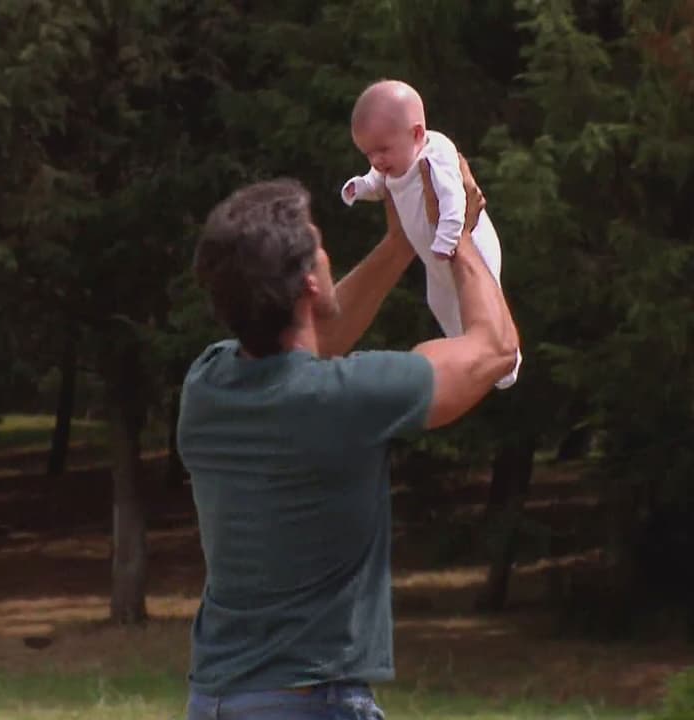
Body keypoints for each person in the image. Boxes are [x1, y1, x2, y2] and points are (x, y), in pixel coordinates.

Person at [177, 154, 520, 720]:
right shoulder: (342, 400)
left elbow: (316, 335)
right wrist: (456, 237)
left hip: (218, 700)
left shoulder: (207, 385)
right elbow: (495, 350)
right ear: (309, 282)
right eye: (319, 244)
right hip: (310, 700)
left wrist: (401, 243)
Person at [341, 78, 521, 390]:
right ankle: (473, 358)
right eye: (369, 154)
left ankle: (507, 360)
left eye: (383, 150)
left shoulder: (435, 156)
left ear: (416, 134)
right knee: (440, 302)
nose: (377, 161)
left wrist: (449, 240)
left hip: (469, 246)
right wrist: (361, 187)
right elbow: (377, 182)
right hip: (435, 258)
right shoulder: (394, 163)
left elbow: (456, 201)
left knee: (482, 301)